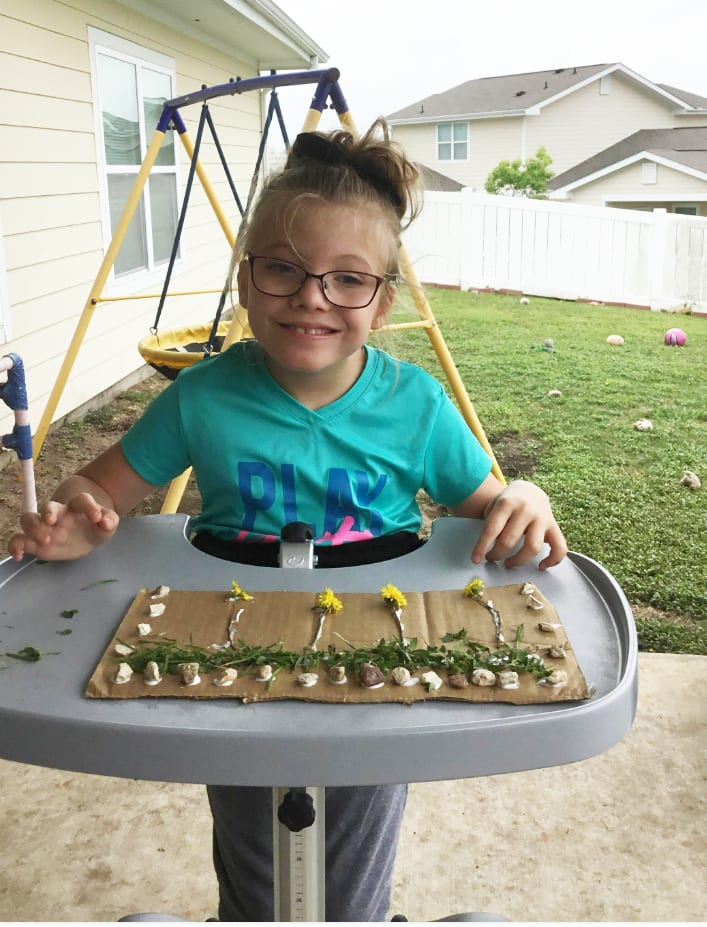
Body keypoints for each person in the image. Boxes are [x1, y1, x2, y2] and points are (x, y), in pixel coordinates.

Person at [8, 120, 567, 921]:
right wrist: (76, 518)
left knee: (350, 871)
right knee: (254, 863)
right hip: (227, 654)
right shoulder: (201, 397)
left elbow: (493, 512)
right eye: (283, 269)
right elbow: (95, 490)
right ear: (245, 280)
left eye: (347, 279)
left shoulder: (414, 405)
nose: (311, 297)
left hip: (382, 661)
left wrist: (528, 498)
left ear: (382, 300)